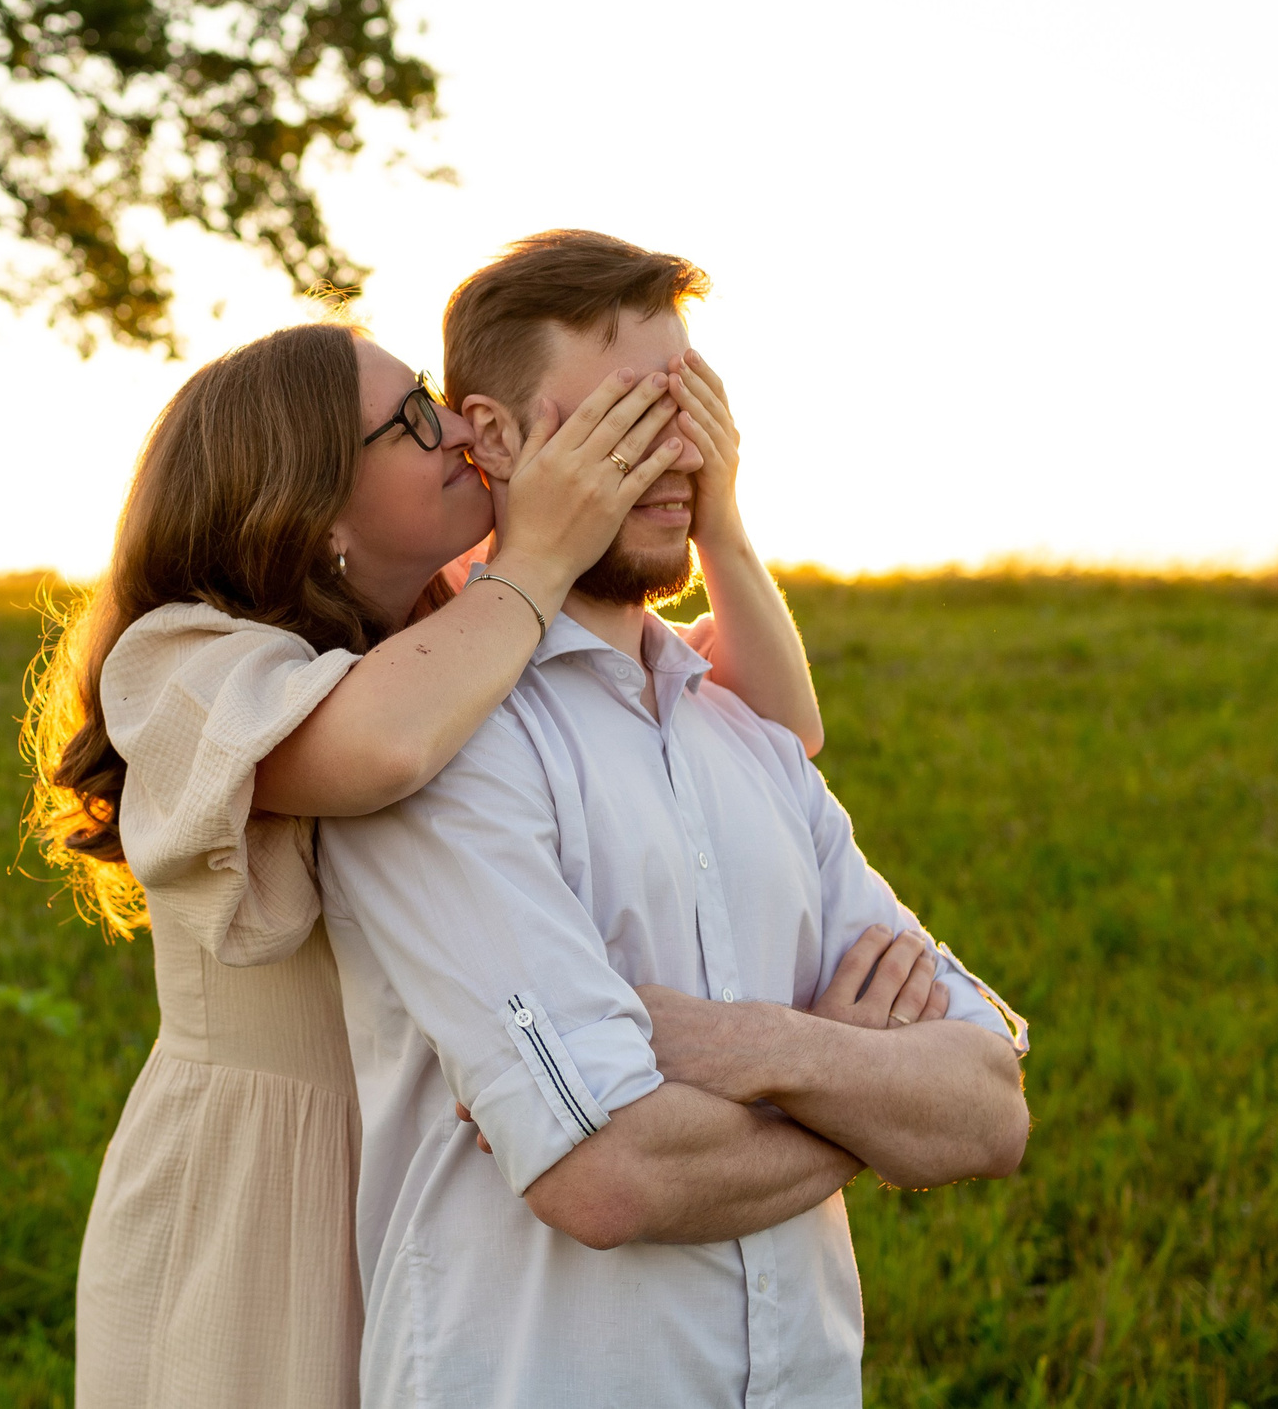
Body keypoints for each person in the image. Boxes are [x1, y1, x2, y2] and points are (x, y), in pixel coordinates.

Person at [22, 285, 831, 1406]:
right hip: (263, 1200)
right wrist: (538, 556)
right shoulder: (182, 662)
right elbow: (382, 746)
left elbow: (776, 739)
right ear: (312, 507)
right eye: (412, 420)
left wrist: (720, 527)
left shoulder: (454, 627)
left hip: (436, 1183)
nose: (457, 429)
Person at [317, 229, 1031, 1408]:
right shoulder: (447, 746)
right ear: (492, 437)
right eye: (619, 421)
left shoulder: (744, 736)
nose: (674, 457)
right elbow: (607, 1179)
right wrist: (870, 1096)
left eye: (690, 407)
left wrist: (753, 1048)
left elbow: (990, 1109)